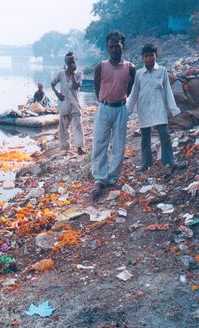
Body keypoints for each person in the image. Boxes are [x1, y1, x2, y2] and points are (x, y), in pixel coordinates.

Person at [91, 31, 136, 201]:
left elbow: (129, 88)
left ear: (123, 46)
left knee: (119, 144)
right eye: (111, 46)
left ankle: (113, 177)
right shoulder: (100, 67)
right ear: (107, 48)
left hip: (121, 109)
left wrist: (120, 100)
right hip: (104, 107)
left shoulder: (130, 68)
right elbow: (97, 88)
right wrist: (104, 101)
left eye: (117, 46)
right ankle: (100, 179)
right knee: (99, 143)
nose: (114, 49)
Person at [127, 43, 182, 171]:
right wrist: (128, 111)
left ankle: (169, 161)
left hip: (159, 108)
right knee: (145, 138)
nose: (149, 58)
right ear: (142, 58)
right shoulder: (139, 74)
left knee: (165, 135)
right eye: (147, 56)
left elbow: (168, 90)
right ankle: (146, 163)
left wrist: (173, 109)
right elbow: (134, 93)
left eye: (152, 55)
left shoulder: (162, 71)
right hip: (144, 109)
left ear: (156, 56)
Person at [51, 52, 85, 156]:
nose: (72, 64)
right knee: (63, 127)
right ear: (66, 63)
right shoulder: (61, 74)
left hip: (74, 104)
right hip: (64, 103)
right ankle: (65, 148)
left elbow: (75, 86)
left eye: (73, 62)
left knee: (77, 125)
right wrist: (57, 94)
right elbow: (52, 84)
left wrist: (73, 74)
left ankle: (80, 147)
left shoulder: (79, 74)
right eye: (70, 62)